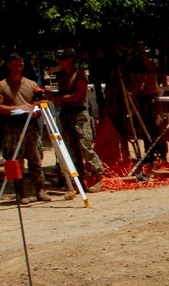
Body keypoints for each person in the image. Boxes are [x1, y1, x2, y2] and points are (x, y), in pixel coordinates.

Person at [0, 53, 50, 203]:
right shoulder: (2, 85)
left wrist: (37, 111)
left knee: (35, 158)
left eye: (21, 65)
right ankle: (20, 192)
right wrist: (18, 107)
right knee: (15, 160)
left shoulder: (31, 84)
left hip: (30, 125)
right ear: (9, 65)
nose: (19, 68)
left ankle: (40, 189)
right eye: (16, 65)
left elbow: (40, 102)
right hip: (13, 125)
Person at [50, 47, 104, 193]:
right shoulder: (61, 76)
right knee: (71, 149)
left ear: (71, 59)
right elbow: (63, 97)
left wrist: (58, 98)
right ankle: (80, 181)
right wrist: (56, 98)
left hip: (79, 115)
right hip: (66, 114)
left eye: (64, 58)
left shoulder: (79, 75)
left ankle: (98, 176)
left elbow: (77, 96)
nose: (61, 61)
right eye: (59, 59)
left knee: (85, 147)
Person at [126, 42, 166, 164]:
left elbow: (150, 66)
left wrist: (143, 53)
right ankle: (149, 153)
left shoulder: (152, 63)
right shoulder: (133, 65)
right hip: (140, 100)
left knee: (157, 127)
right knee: (144, 128)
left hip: (152, 100)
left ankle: (161, 153)